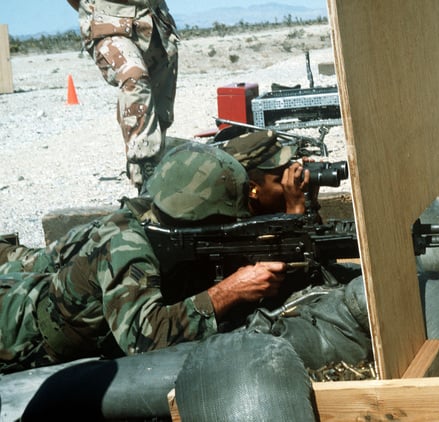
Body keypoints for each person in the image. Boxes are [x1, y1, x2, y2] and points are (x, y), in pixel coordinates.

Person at [0, 143, 288, 374]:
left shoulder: (159, 218)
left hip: (53, 279)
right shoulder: (126, 244)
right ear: (194, 216)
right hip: (18, 334)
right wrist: (228, 292)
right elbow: (145, 338)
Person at [66, 0, 179, 193]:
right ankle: (145, 173)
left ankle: (159, 172)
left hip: (155, 20)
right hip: (110, 23)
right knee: (133, 76)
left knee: (160, 107)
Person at [220, 130, 321, 217]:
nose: (290, 183)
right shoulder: (229, 230)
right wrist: (295, 211)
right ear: (252, 189)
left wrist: (310, 203)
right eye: (282, 178)